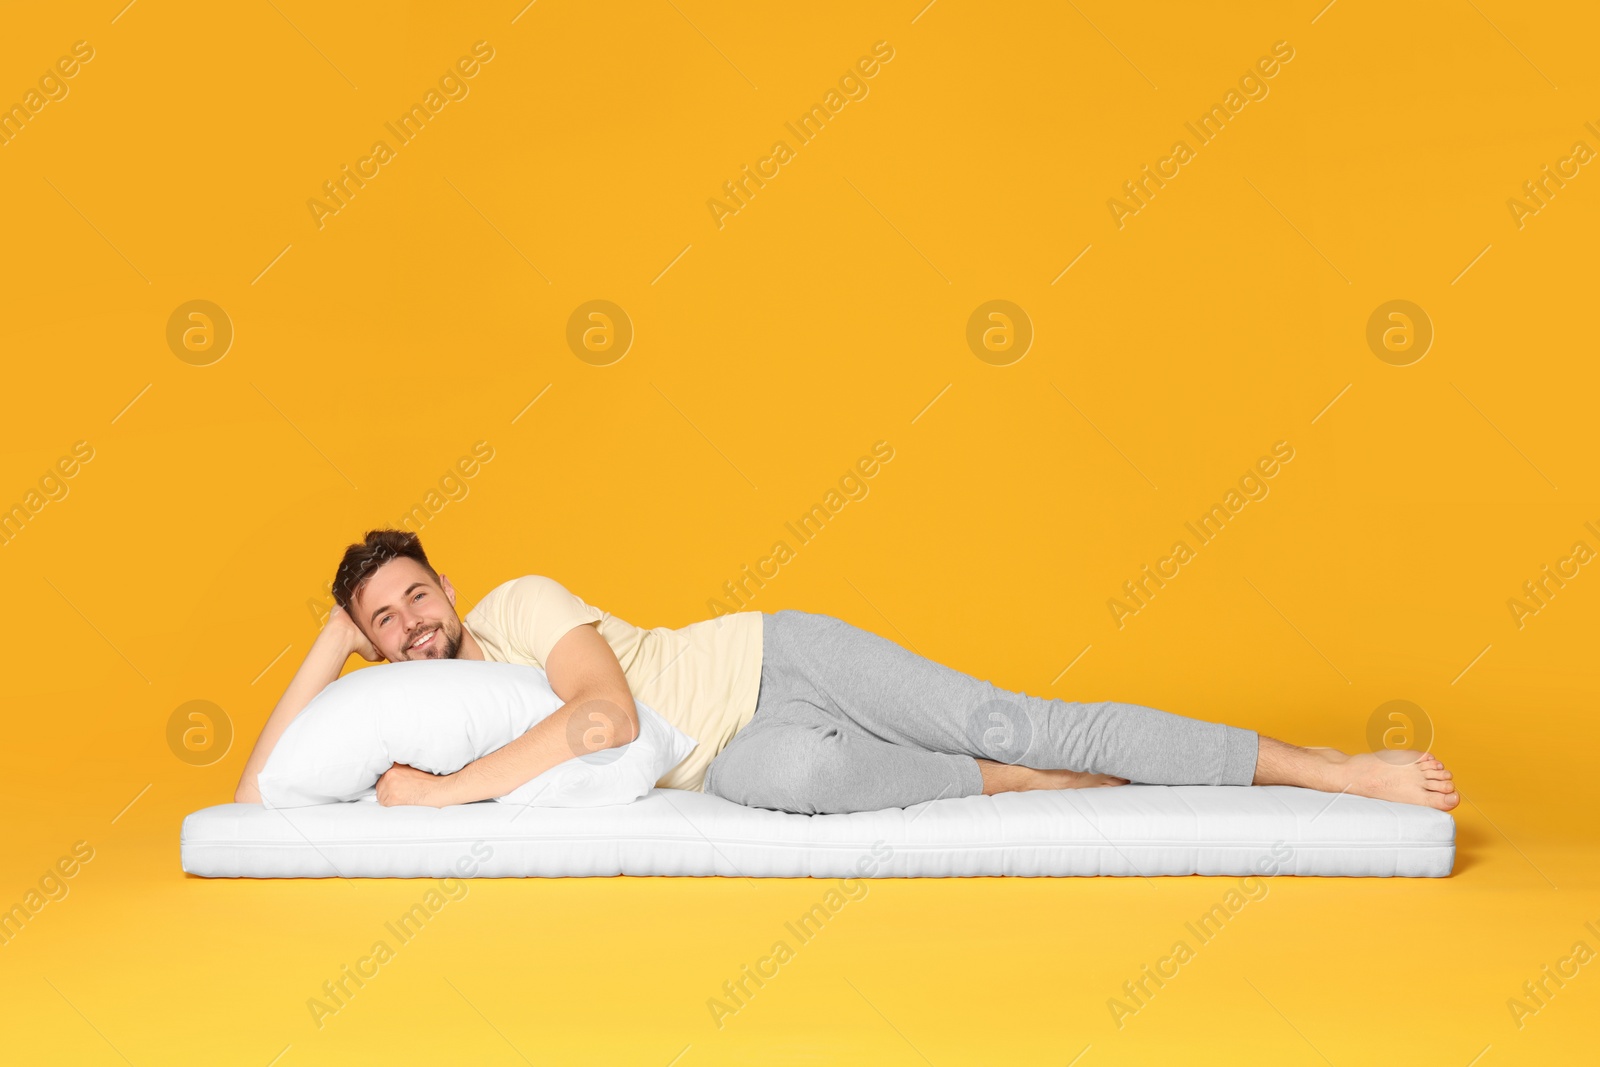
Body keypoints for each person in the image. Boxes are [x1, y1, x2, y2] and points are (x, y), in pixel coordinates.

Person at [234, 529, 1459, 814]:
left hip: (775, 658)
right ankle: (1037, 781)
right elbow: (256, 796)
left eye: (412, 599)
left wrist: (438, 796)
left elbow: (605, 714)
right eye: (379, 624)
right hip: (732, 760)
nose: (408, 628)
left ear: (447, 588)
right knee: (803, 788)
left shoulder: (514, 608)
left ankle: (1328, 768)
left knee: (1004, 712)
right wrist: (325, 644)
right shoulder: (400, 694)